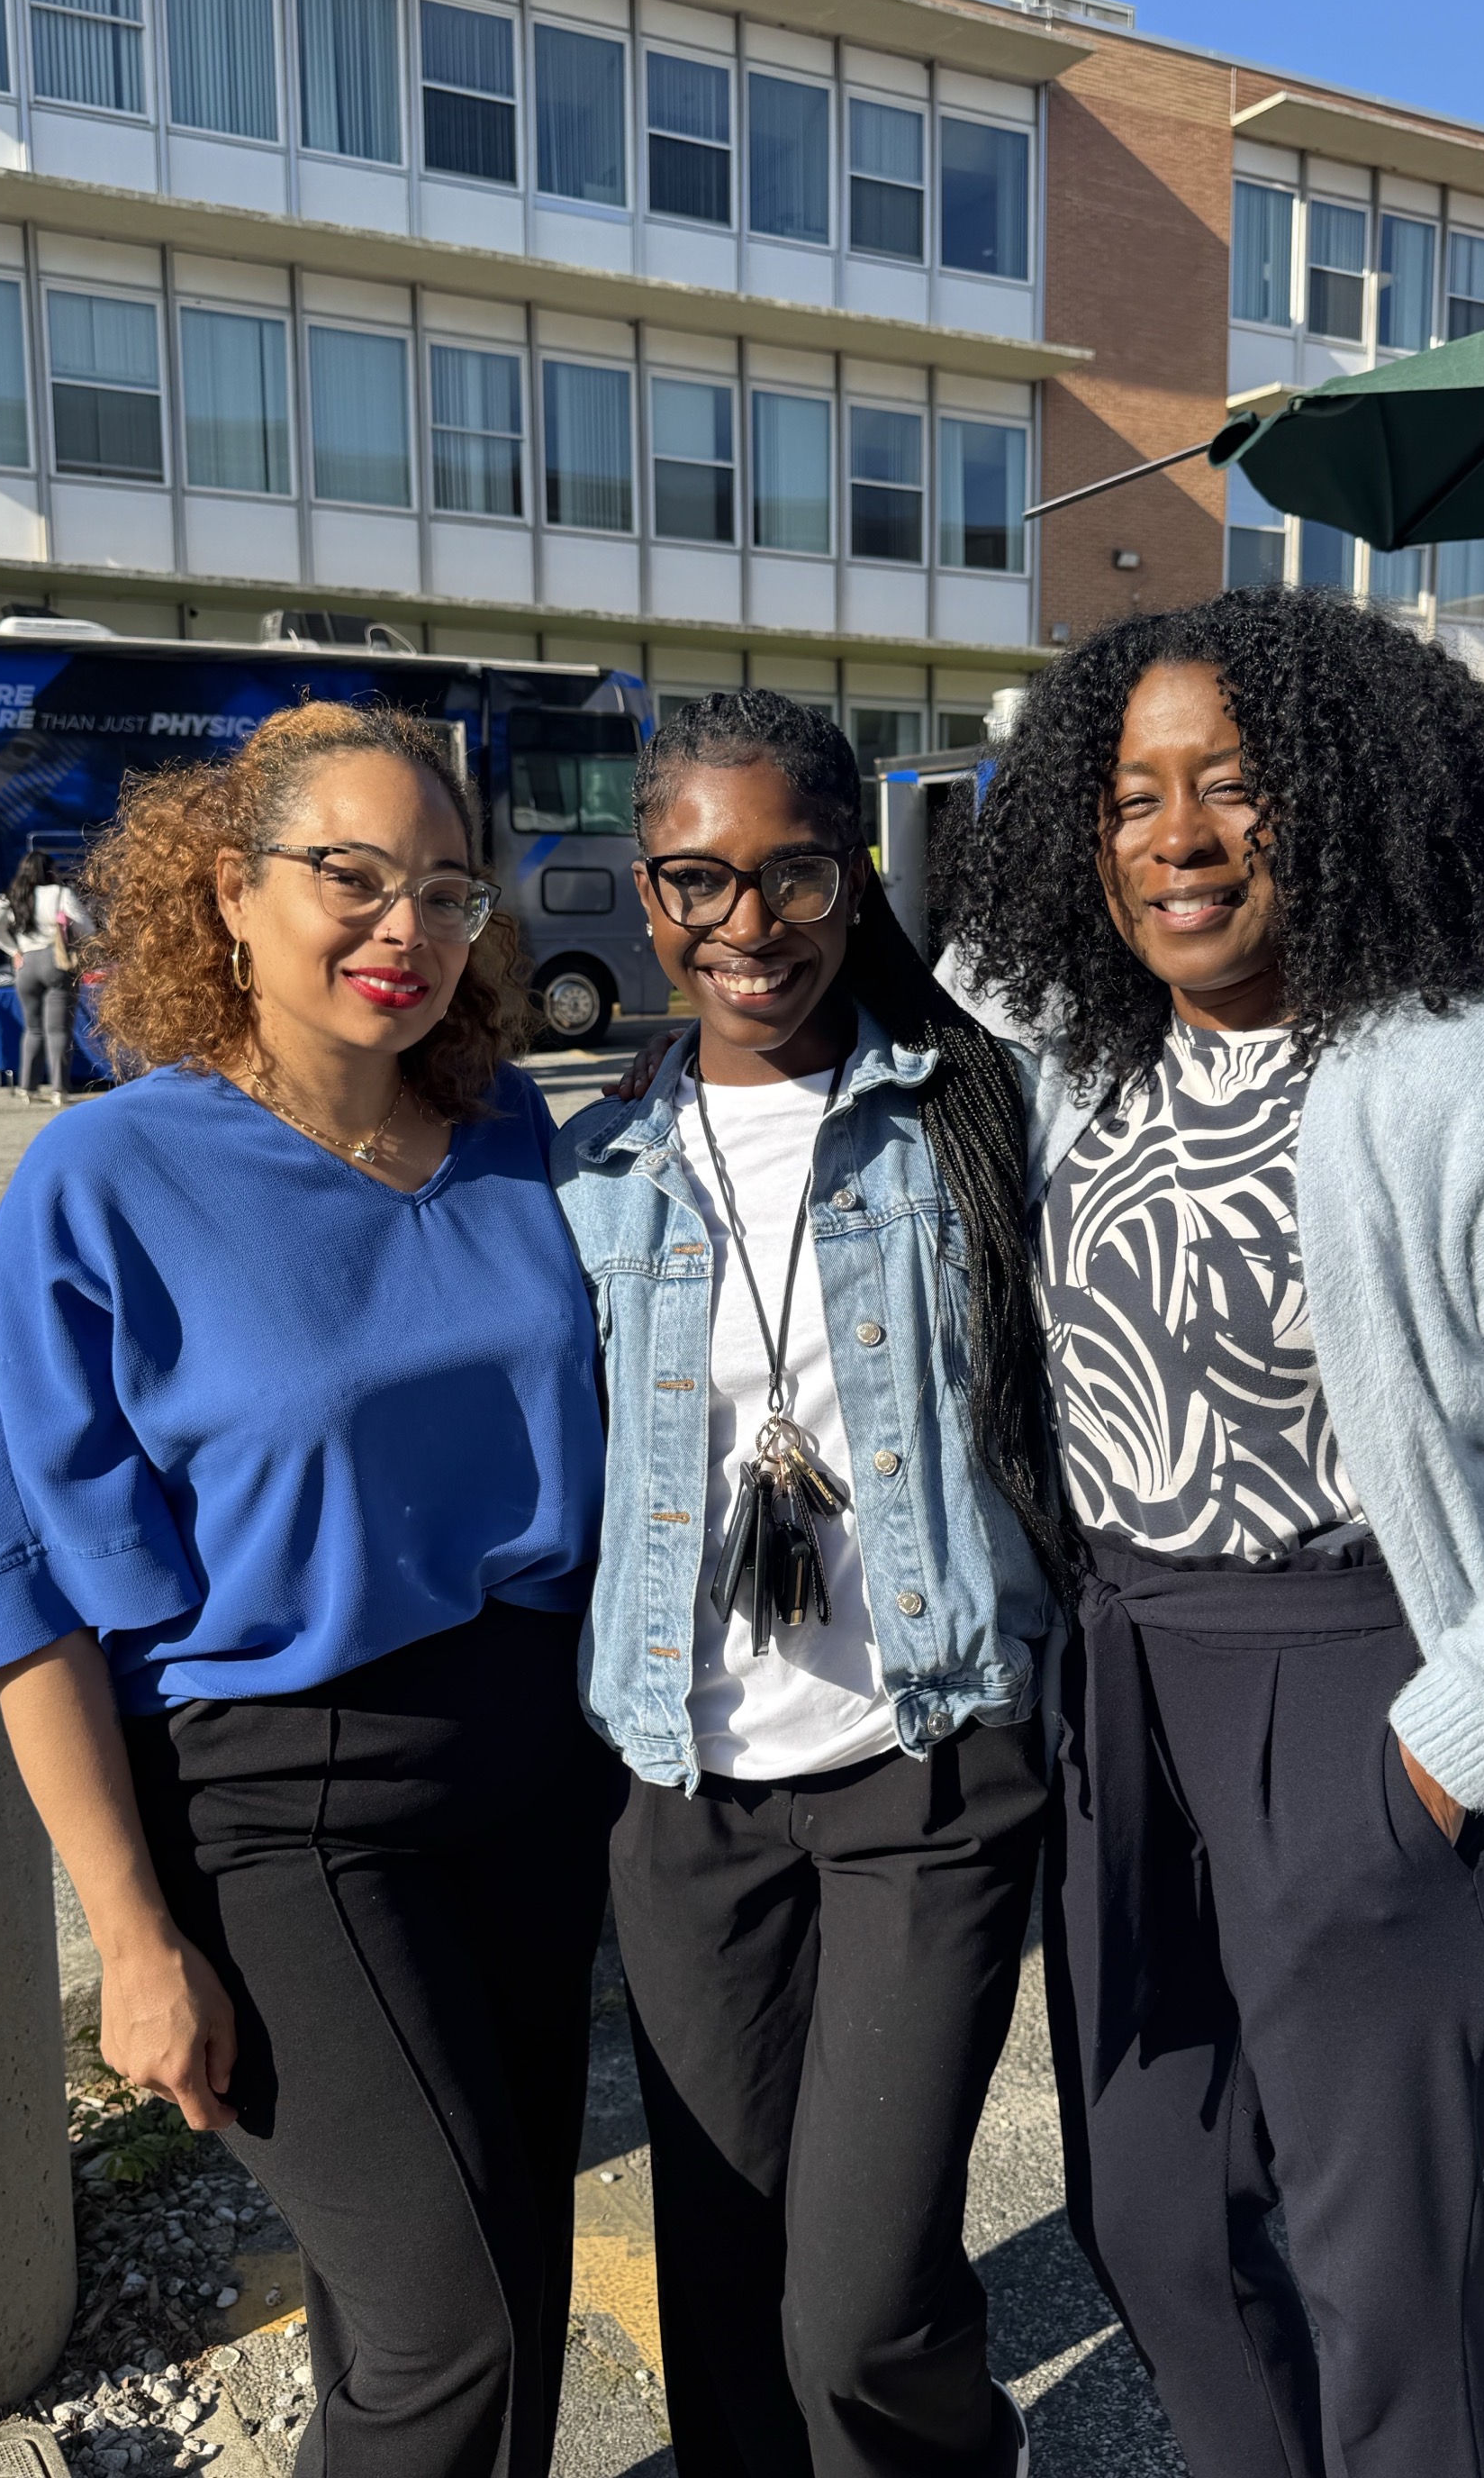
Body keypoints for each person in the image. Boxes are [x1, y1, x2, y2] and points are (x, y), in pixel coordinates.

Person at [931, 589, 1484, 2478]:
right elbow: (957, 960)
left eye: (1236, 784)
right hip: (1126, 1692)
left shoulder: (1468, 1087)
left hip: (1363, 1689)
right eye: (1130, 794)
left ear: (1349, 802)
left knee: (1385, 2287)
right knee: (1147, 2212)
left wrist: (1445, 1755)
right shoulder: (1085, 1060)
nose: (1178, 834)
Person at [0, 702, 613, 2478]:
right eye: (353, 876)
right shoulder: (105, 1178)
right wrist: (136, 1938)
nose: (407, 926)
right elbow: (23, 1592)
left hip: (535, 1772)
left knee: (495, 2286)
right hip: (283, 1806)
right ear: (231, 894)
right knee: (442, 2318)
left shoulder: (509, 1137)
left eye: (450, 890)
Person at [551, 692, 1077, 2478]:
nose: (749, 923)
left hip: (922, 1758)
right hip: (684, 1786)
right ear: (648, 895)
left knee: (860, 2297)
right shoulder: (594, 1164)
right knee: (719, 2269)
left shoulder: (974, 1111)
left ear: (854, 879)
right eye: (702, 878)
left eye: (793, 873)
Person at [0, 846, 97, 1103]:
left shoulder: (14, 895)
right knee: (58, 1030)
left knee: (32, 1029)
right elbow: (87, 928)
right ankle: (58, 1089)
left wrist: (12, 949)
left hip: (25, 964)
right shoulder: (60, 893)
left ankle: (27, 1088)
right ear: (50, 871)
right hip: (56, 961)